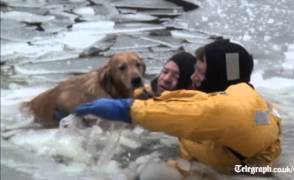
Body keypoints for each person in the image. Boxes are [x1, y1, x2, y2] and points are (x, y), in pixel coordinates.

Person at [73, 39, 282, 174]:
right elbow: (177, 102)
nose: (194, 77)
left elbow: (186, 113)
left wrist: (125, 108)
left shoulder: (225, 109)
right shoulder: (240, 94)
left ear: (219, 75)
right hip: (228, 163)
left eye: (200, 72)